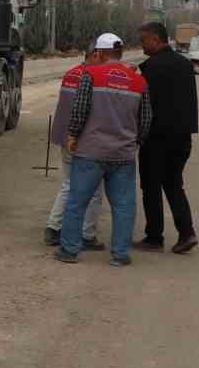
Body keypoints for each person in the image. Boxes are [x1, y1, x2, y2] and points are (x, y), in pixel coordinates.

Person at [57, 32, 152, 266]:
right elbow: (147, 119)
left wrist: (72, 135)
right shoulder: (138, 81)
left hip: (90, 152)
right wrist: (134, 141)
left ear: (99, 53)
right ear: (119, 53)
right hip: (123, 155)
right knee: (124, 206)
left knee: (77, 202)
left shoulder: (90, 75)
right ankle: (120, 255)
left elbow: (79, 109)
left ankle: (69, 251)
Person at [137, 21, 199, 253]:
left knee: (151, 186)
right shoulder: (185, 65)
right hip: (183, 138)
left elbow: (144, 105)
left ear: (155, 39)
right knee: (174, 185)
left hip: (157, 138)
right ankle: (187, 233)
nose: (142, 46)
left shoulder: (151, 68)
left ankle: (154, 237)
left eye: (144, 41)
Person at [44, 48, 105, 250]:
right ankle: (87, 234)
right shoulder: (92, 78)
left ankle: (54, 227)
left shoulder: (71, 73)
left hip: (63, 136)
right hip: (80, 139)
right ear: (95, 55)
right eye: (103, 57)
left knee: (69, 183)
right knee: (94, 189)